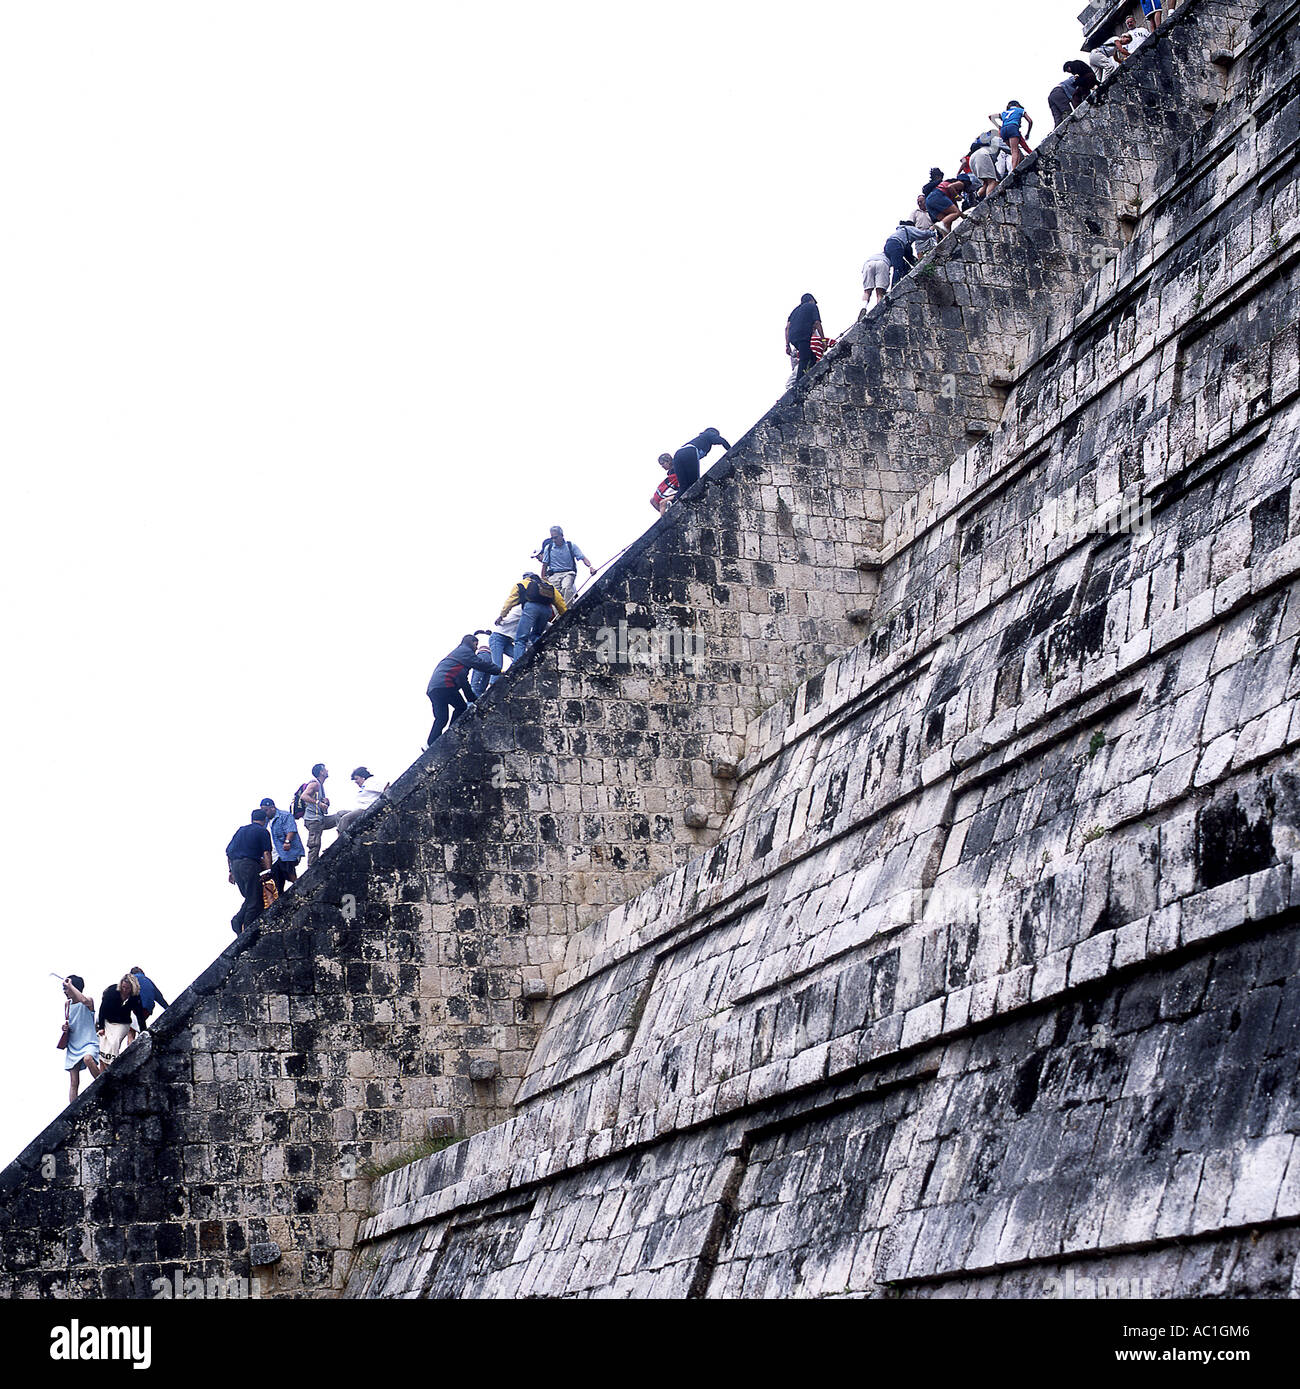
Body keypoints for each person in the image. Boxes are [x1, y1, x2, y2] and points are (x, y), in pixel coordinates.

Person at [427, 634, 502, 745]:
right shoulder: (465, 651)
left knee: (441, 718)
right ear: (470, 642)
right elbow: (480, 664)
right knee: (461, 707)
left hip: (433, 688)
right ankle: (450, 735)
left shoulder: (457, 656)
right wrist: (498, 671)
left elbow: (462, 680)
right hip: (445, 684)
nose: (477, 648)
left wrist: (472, 698)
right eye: (476, 644)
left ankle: (431, 743)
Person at [226, 807, 273, 933]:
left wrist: (230, 872)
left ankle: (237, 921)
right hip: (250, 865)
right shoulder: (262, 832)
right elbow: (266, 853)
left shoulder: (241, 831)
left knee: (250, 896)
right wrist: (269, 870)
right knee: (255, 900)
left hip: (236, 866)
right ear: (265, 820)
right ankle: (246, 930)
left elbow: (228, 852)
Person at [498, 573, 566, 653]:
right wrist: (565, 614)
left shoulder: (521, 583)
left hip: (531, 608)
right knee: (536, 635)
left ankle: (519, 662)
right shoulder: (547, 584)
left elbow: (510, 601)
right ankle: (545, 651)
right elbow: (559, 601)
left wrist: (502, 615)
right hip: (547, 609)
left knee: (521, 639)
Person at [61, 976, 103, 1102]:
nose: (65, 991)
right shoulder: (67, 1005)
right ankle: (72, 1111)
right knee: (74, 1081)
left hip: (88, 1041)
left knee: (88, 1059)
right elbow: (71, 1022)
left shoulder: (88, 1001)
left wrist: (71, 986)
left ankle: (103, 1084)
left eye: (66, 988)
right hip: (74, 1043)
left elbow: (84, 1000)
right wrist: (65, 1028)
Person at [534, 527, 595, 606]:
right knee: (556, 596)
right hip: (554, 575)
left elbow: (583, 558)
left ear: (562, 535)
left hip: (568, 572)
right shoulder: (548, 548)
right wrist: (543, 578)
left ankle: (568, 610)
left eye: (556, 537)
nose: (554, 540)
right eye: (552, 538)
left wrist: (591, 567)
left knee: (566, 587)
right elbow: (544, 565)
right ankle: (560, 615)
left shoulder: (570, 545)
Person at [98, 975, 147, 1061]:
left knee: (114, 1042)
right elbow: (102, 1009)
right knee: (104, 1047)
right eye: (123, 987)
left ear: (132, 988)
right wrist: (101, 1027)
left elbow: (140, 1015)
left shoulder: (135, 997)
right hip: (108, 1021)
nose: (125, 990)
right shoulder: (112, 991)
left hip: (123, 1023)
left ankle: (114, 1063)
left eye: (127, 988)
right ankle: (104, 1070)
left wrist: (143, 1031)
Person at [263, 796, 304, 896]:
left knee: (288, 872)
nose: (265, 813)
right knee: (277, 879)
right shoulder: (265, 822)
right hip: (274, 856)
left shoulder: (284, 815)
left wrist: (287, 841)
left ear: (273, 807)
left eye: (266, 810)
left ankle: (302, 890)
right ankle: (281, 899)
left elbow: (291, 829)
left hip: (288, 852)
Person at [670, 428, 731, 493]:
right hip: (690, 451)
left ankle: (673, 501)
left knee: (683, 485)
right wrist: (731, 451)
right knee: (694, 483)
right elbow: (722, 441)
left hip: (678, 454)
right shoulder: (708, 434)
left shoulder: (700, 439)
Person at [300, 764, 338, 868]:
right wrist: (318, 802)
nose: (327, 770)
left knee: (340, 817)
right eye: (325, 769)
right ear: (321, 772)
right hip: (313, 820)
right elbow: (304, 796)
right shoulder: (315, 783)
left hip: (320, 818)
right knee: (315, 844)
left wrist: (324, 802)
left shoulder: (320, 785)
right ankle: (311, 869)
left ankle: (341, 840)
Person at [883, 220, 937, 287]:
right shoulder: (908, 228)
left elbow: (909, 257)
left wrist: (918, 264)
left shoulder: (901, 234)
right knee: (898, 268)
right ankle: (894, 288)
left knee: (905, 267)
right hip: (896, 245)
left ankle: (905, 285)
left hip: (888, 247)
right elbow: (923, 234)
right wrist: (932, 232)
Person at [338, 767, 389, 832]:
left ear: (363, 777)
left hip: (366, 810)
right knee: (340, 814)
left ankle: (342, 839)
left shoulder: (370, 782)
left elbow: (386, 788)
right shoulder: (364, 786)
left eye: (357, 779)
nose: (356, 782)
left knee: (345, 819)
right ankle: (341, 832)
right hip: (359, 809)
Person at [785, 295, 822, 380]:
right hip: (803, 336)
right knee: (804, 360)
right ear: (811, 300)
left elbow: (787, 328)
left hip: (793, 339)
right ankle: (799, 385)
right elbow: (817, 323)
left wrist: (787, 345)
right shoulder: (812, 306)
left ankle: (810, 377)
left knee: (812, 358)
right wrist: (823, 339)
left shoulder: (794, 311)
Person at [990, 101, 1032, 171]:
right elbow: (1030, 121)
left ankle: (1016, 166)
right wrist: (1028, 133)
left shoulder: (1004, 113)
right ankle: (1014, 170)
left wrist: (998, 126)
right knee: (1015, 150)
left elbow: (991, 117)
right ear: (1017, 105)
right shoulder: (1020, 110)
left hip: (1003, 130)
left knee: (1014, 151)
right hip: (1013, 127)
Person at [486, 606, 522, 684]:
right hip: (497, 638)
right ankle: (492, 686)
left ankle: (509, 676)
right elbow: (507, 620)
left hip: (507, 640)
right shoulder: (519, 609)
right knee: (497, 666)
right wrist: (501, 620)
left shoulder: (528, 613)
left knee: (520, 657)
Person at [969, 132, 1010, 197]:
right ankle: (990, 203)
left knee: (986, 184)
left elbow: (996, 174)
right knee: (992, 182)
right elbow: (1010, 149)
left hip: (972, 159)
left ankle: (976, 197)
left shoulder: (981, 143)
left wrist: (999, 179)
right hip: (982, 155)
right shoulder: (996, 138)